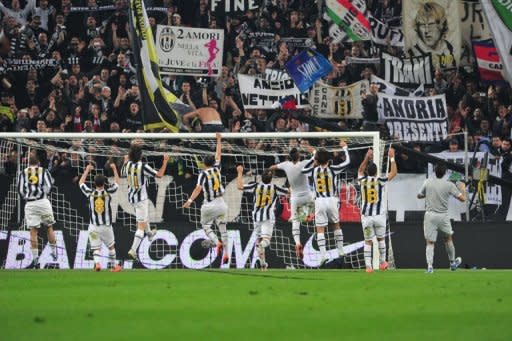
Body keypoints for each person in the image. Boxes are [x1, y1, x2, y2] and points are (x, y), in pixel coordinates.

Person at [301, 140, 350, 267]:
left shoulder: (313, 171)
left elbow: (303, 170)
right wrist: (345, 148)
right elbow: (347, 162)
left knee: (320, 229)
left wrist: (313, 157)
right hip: (332, 200)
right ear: (328, 160)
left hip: (319, 201)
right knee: (336, 225)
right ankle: (340, 250)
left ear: (318, 161)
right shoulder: (333, 169)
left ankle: (323, 255)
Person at [183, 133, 229, 264]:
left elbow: (198, 189)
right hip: (221, 204)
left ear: (204, 164)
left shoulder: (203, 174)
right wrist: (219, 140)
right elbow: (218, 155)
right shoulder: (217, 169)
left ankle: (216, 242)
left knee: (205, 226)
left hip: (209, 204)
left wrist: (190, 201)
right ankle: (226, 254)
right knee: (223, 229)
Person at [122, 144, 170, 262]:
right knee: (141, 225)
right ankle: (133, 249)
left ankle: (149, 233)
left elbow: (123, 172)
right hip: (141, 199)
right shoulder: (143, 166)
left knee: (143, 218)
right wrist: (165, 162)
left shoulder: (127, 164)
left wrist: (125, 160)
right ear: (140, 155)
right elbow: (159, 175)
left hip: (132, 198)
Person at [237, 166, 288, 270]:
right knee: (266, 241)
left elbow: (239, 186)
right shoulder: (275, 188)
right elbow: (289, 192)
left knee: (259, 240)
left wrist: (240, 172)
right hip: (268, 217)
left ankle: (263, 264)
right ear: (271, 178)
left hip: (256, 217)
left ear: (261, 177)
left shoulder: (255, 186)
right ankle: (261, 249)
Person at [417, 163, 465, 273]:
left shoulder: (428, 182)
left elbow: (419, 195)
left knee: (429, 242)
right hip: (443, 216)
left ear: (434, 171)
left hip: (430, 216)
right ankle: (452, 263)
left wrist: (428, 194)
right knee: (448, 239)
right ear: (445, 173)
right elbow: (463, 199)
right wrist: (462, 189)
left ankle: (430, 267)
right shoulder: (449, 185)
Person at [269, 147, 315, 259]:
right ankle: (309, 214)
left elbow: (272, 167)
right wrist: (312, 151)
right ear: (298, 156)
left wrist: (270, 174)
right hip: (308, 196)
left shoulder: (286, 164)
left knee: (295, 221)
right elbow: (316, 158)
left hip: (295, 198)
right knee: (319, 200)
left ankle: (298, 243)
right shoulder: (304, 163)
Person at [357, 148, 397, 273]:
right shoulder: (380, 181)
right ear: (376, 173)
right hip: (379, 216)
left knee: (368, 241)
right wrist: (392, 157)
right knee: (381, 239)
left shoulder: (362, 181)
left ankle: (368, 266)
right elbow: (393, 173)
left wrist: (366, 158)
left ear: (367, 172)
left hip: (367, 217)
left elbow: (360, 170)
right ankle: (383, 262)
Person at [79, 163, 122, 272]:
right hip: (106, 226)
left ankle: (97, 264)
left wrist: (87, 169)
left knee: (96, 248)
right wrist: (114, 168)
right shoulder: (108, 192)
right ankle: (114, 266)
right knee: (111, 247)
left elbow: (81, 183)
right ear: (104, 183)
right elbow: (117, 183)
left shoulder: (90, 193)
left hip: (93, 227)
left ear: (94, 183)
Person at [17, 153, 57, 268]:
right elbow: (49, 186)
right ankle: (54, 253)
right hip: (43, 202)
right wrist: (42, 193)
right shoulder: (44, 171)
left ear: (28, 162)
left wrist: (28, 196)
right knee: (49, 227)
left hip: (30, 203)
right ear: (38, 162)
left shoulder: (23, 173)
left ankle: (35, 259)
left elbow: (20, 190)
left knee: (33, 231)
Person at [409, 2, 456, 69]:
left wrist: (451, 76)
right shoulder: (413, 53)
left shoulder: (447, 47)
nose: (426, 30)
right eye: (422, 25)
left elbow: (450, 70)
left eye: (431, 24)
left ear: (442, 26)